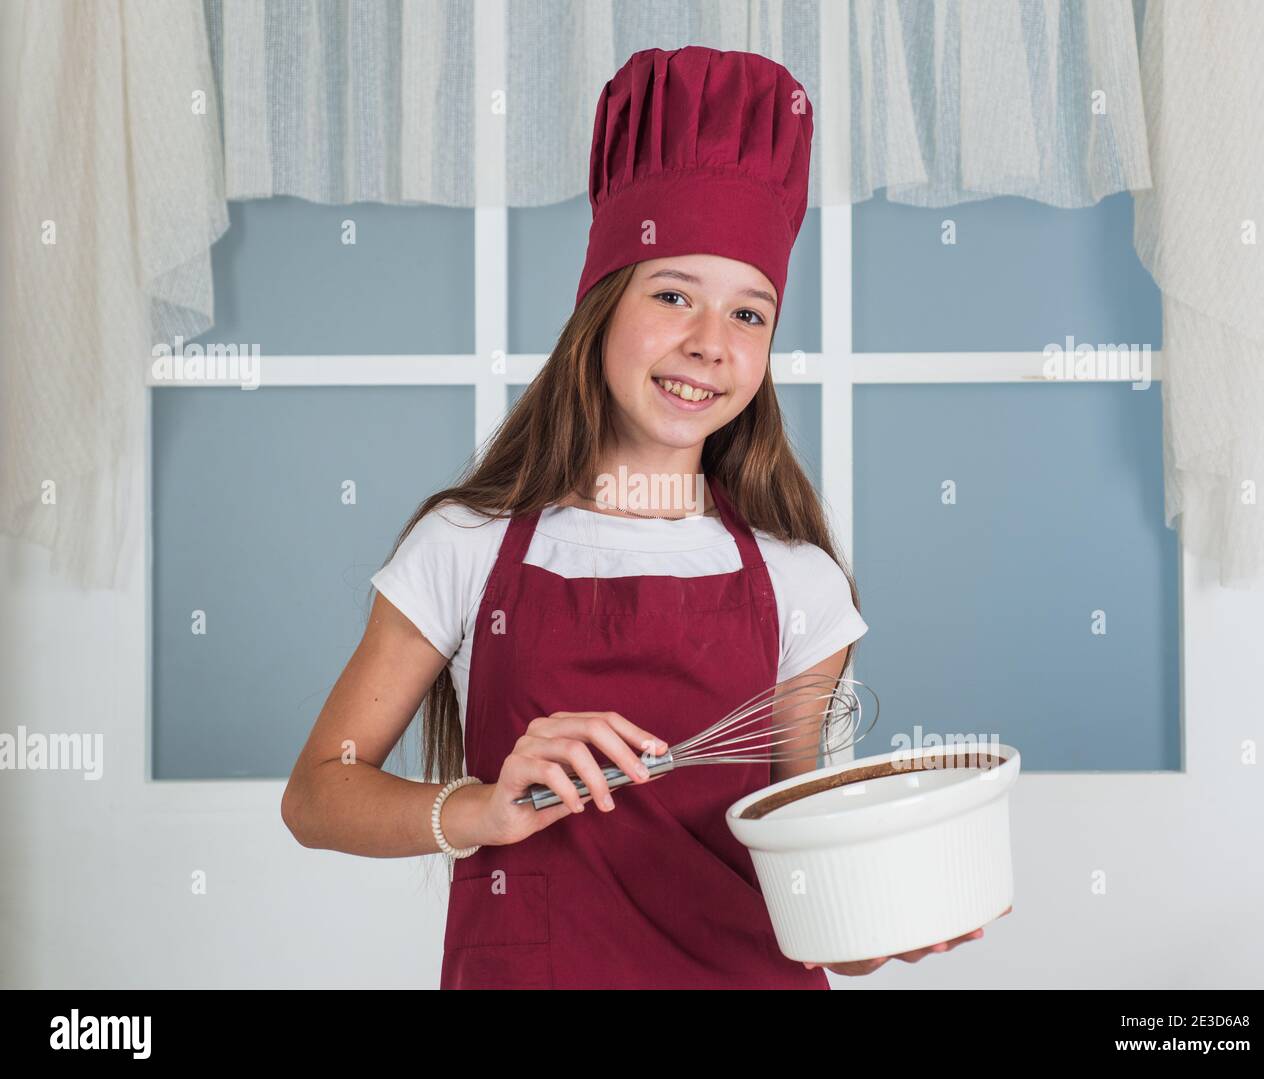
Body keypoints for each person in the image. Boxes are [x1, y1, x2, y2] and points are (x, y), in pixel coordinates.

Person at [282, 45, 998, 989]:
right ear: (601, 307)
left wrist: (879, 924)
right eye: (673, 296)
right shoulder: (467, 544)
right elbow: (317, 794)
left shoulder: (800, 581)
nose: (709, 344)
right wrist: (483, 807)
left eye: (750, 315)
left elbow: (806, 873)